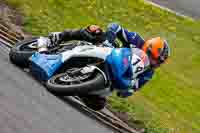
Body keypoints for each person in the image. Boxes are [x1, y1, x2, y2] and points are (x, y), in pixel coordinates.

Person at [38, 23, 170, 110]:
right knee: (95, 30)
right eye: (153, 57)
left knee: (99, 104)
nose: (154, 62)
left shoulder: (148, 73)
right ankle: (58, 37)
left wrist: (127, 90)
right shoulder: (136, 40)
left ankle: (80, 86)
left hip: (113, 76)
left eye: (158, 62)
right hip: (108, 51)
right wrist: (109, 40)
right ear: (148, 47)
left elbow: (135, 87)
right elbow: (115, 27)